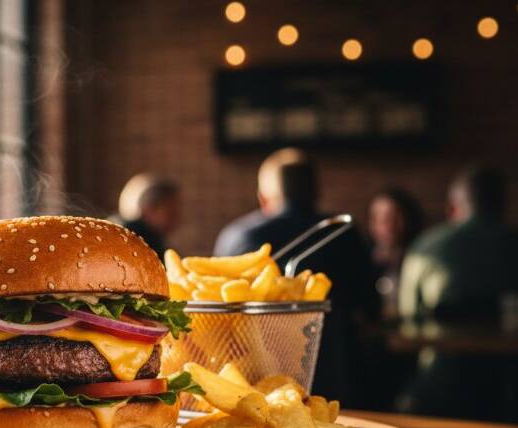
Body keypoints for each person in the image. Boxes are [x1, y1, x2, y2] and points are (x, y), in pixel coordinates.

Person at [214, 148, 378, 402]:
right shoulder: (344, 233)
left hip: (253, 388)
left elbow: (218, 325)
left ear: (263, 197)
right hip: (340, 379)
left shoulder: (237, 237)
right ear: (315, 193)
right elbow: (370, 306)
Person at [398, 166, 518, 421]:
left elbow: (407, 316)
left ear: (453, 206)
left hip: (439, 385)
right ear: (503, 205)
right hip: (506, 389)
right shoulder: (511, 243)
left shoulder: (426, 247)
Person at [367, 188, 423, 319]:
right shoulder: (363, 262)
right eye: (379, 218)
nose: (387, 226)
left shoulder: (420, 262)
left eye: (393, 217)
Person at [113, 174, 181, 256]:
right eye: (171, 212)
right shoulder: (142, 243)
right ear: (148, 209)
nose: (178, 218)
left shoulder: (112, 232)